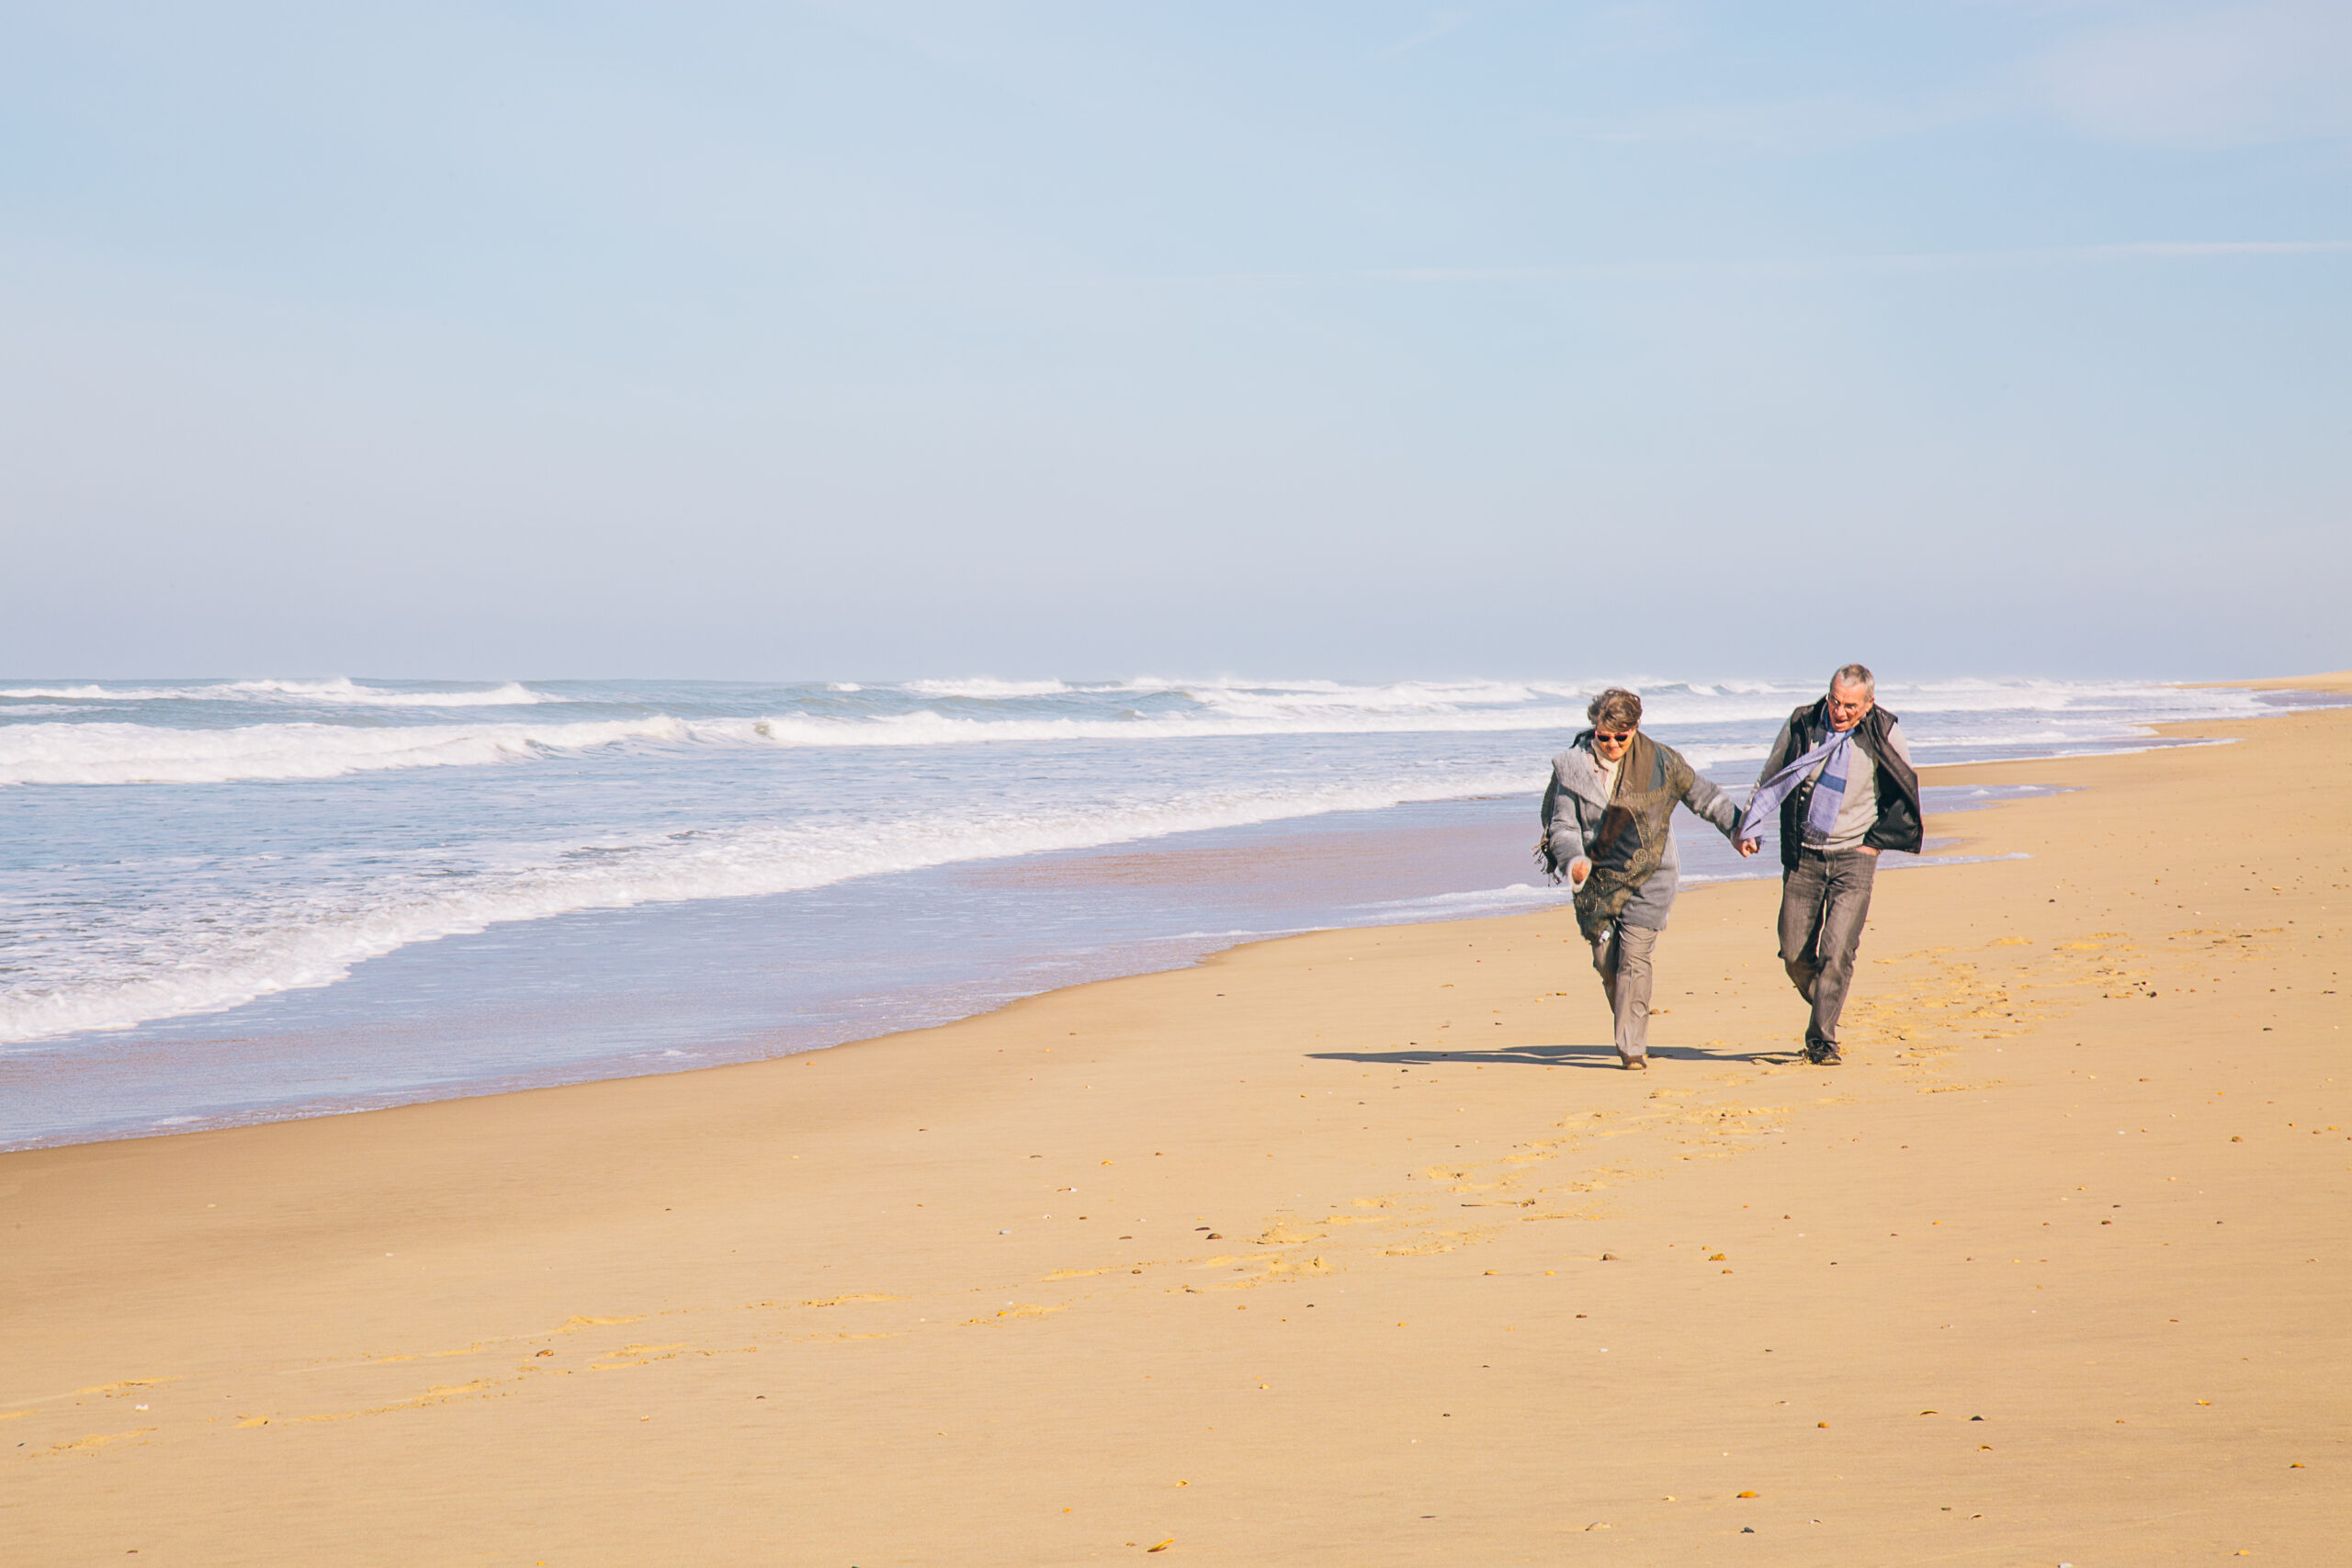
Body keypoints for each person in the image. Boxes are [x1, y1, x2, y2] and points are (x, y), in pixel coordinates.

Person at [1539, 688, 1745, 1069]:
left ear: (1635, 728)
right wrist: (1574, 861)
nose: (1613, 744)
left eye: (1622, 736)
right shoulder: (1571, 767)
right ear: (1594, 728)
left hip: (1652, 874)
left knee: (1634, 959)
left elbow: (1704, 796)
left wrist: (1738, 831)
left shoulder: (1661, 762)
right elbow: (1562, 826)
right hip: (1596, 880)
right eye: (1604, 736)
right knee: (1607, 964)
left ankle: (1632, 1047)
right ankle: (1628, 1019)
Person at [1736, 663, 1922, 1065]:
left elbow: (1904, 790)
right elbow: (1772, 776)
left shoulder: (1884, 731)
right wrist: (1747, 824)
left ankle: (1822, 1040)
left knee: (1837, 952)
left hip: (1854, 857)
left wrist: (1875, 845)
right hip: (1803, 855)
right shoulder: (1803, 723)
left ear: (1869, 703)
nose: (1839, 712)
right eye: (1835, 701)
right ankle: (1828, 998)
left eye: (1850, 706)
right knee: (1792, 953)